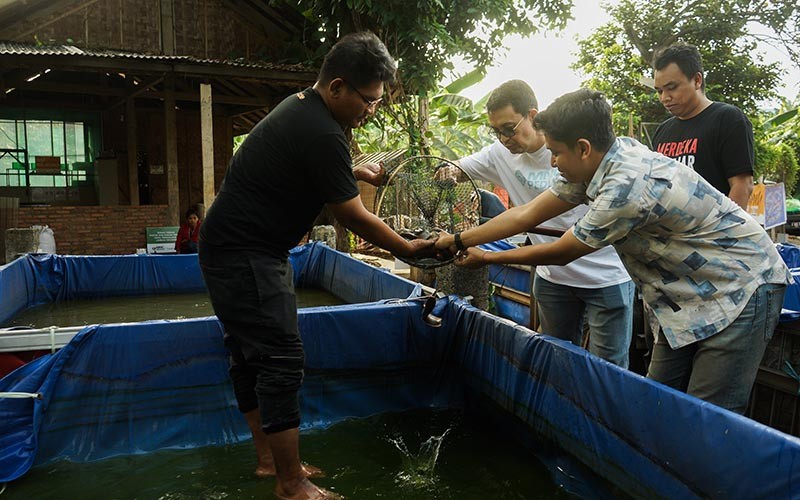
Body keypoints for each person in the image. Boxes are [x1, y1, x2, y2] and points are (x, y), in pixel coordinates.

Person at [436, 88, 790, 415]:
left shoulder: (626, 187)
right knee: (656, 400)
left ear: (583, 148)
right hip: (685, 295)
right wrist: (458, 241)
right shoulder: (604, 160)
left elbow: (562, 251)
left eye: (556, 153)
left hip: (740, 286)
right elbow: (525, 214)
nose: (553, 162)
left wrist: (488, 257)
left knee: (707, 416)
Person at [198, 32, 434, 500]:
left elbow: (309, 167)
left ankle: (270, 462)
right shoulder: (322, 131)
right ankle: (291, 484)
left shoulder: (303, 108)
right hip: (248, 253)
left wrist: (353, 171)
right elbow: (352, 215)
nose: (371, 110)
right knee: (280, 357)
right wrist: (408, 250)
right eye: (368, 100)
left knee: (249, 356)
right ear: (338, 87)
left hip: (230, 247)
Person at [436, 80, 634, 368]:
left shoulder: (599, 168)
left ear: (532, 115)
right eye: (496, 131)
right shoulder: (503, 154)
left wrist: (480, 253)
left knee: (608, 370)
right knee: (555, 360)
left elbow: (554, 241)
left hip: (604, 273)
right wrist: (447, 173)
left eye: (509, 128)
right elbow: (523, 214)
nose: (504, 139)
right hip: (553, 276)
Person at [652, 42, 754, 209]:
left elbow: (742, 185)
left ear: (697, 80)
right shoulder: (662, 131)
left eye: (672, 88)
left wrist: (725, 225)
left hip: (714, 225)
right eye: (659, 91)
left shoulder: (727, 119)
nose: (664, 98)